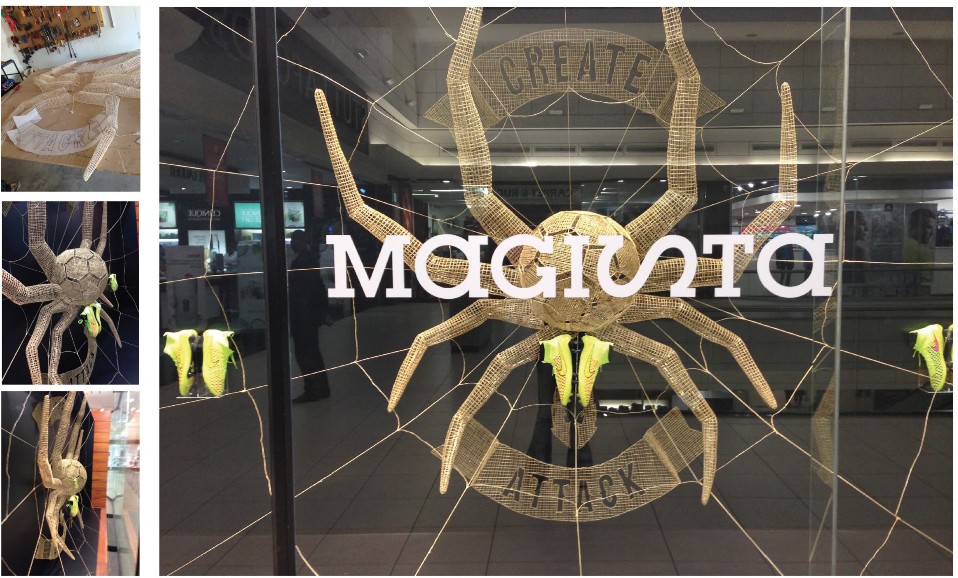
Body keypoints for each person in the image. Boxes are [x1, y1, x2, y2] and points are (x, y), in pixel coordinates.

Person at [289, 230, 331, 403]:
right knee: (312, 352)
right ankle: (320, 388)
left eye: (295, 240)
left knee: (305, 353)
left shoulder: (302, 261)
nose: (292, 244)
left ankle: (313, 388)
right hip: (309, 314)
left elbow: (305, 290)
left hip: (303, 315)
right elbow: (318, 288)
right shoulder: (309, 259)